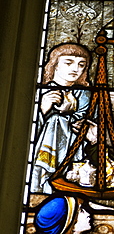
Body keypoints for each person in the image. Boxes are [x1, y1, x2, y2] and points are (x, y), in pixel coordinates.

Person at [31, 43, 97, 194]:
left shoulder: (86, 95)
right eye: (68, 63)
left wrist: (77, 121)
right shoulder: (42, 92)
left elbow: (90, 123)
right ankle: (40, 177)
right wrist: (43, 109)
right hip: (40, 149)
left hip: (75, 150)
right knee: (56, 120)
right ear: (55, 65)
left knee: (58, 120)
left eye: (81, 65)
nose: (75, 69)